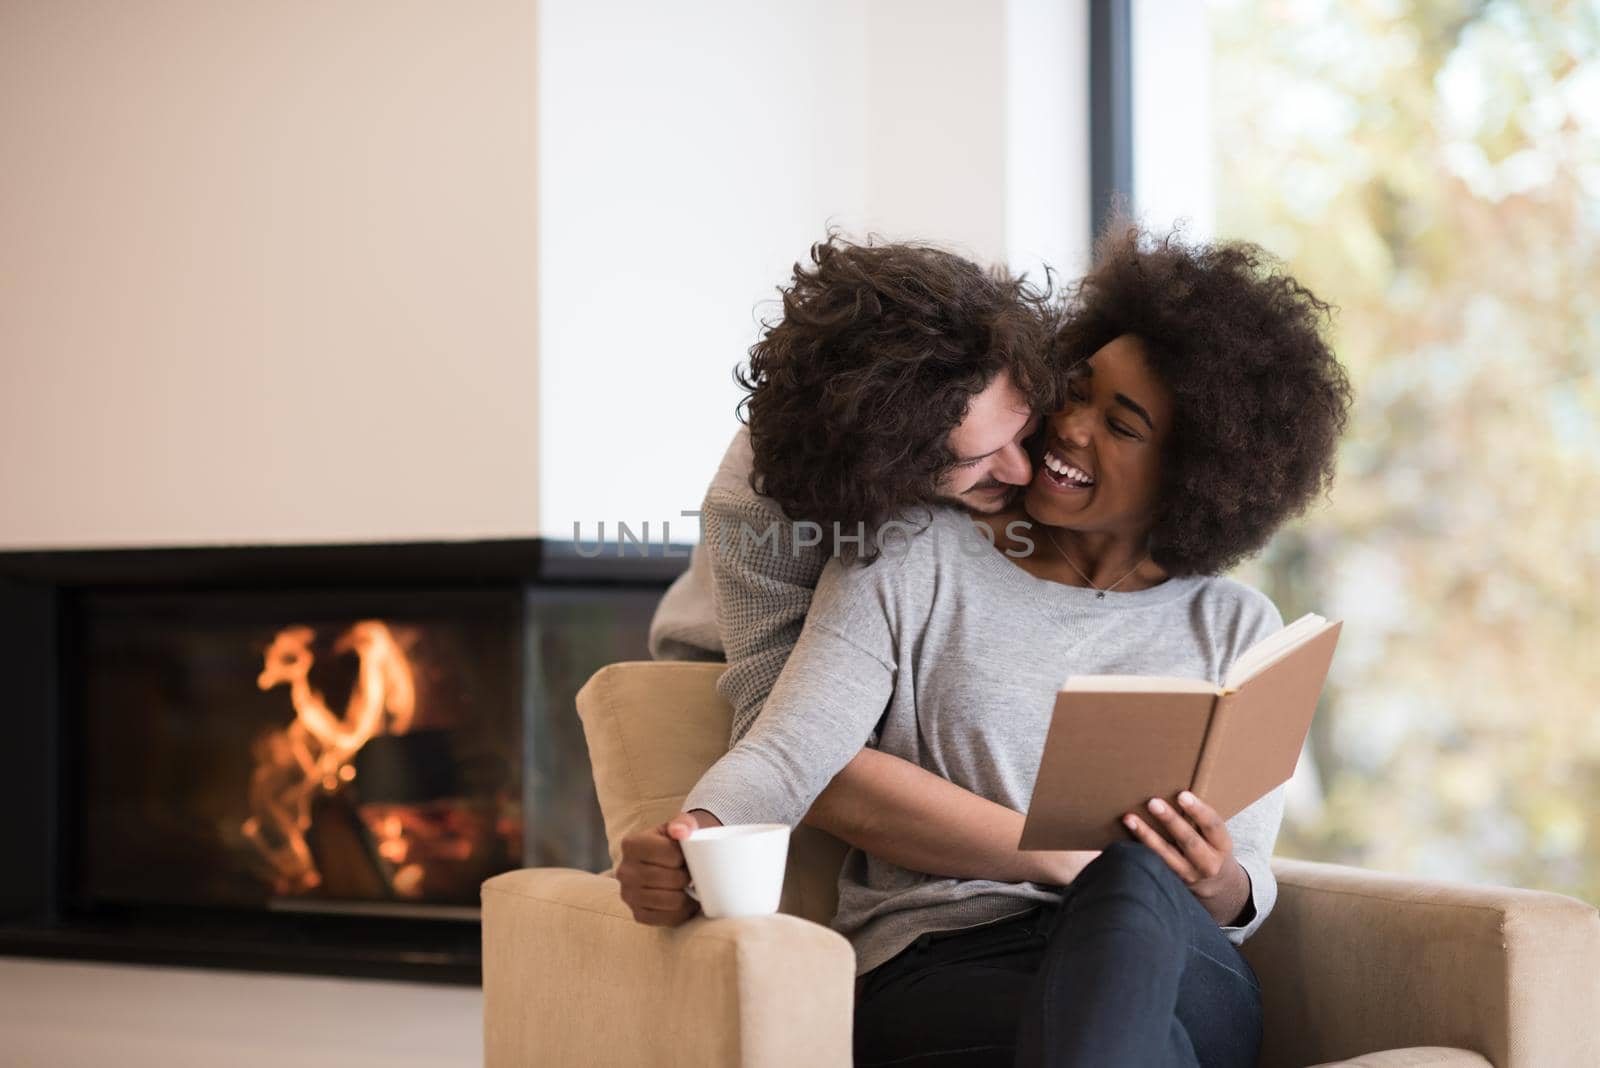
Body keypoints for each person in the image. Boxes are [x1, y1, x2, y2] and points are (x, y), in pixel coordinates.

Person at [620, 223, 1352, 1067]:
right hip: (951, 961)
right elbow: (788, 749)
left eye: (1121, 424)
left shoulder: (1239, 626)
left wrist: (1217, 880)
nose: (1065, 430)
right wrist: (693, 833)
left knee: (1129, 882)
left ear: (1196, 469)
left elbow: (1245, 884)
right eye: (1073, 393)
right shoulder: (904, 554)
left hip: (1175, 964)